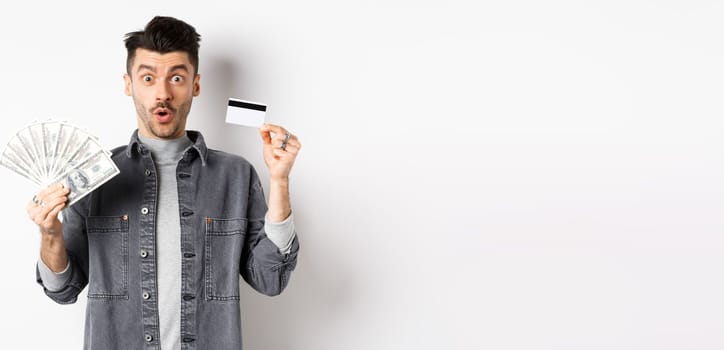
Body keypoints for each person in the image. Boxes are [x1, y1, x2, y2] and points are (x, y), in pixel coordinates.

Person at [27, 16, 301, 350]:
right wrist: (50, 234)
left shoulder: (236, 175)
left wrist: (280, 180)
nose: (162, 93)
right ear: (129, 84)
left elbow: (270, 279)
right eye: (148, 78)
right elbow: (62, 290)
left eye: (176, 77)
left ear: (195, 86)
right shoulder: (95, 177)